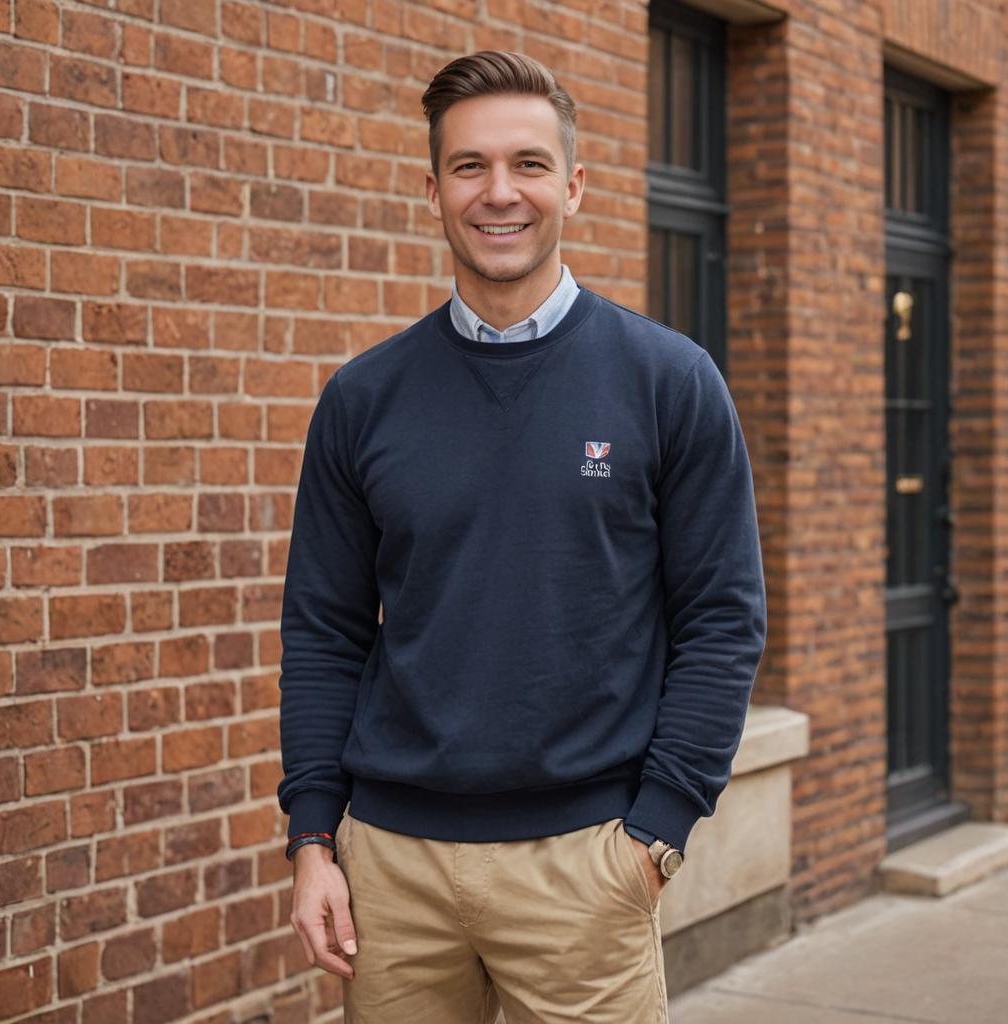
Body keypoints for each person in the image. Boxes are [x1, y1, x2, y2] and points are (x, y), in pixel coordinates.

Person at [277, 50, 767, 1024]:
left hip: (584, 865)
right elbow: (325, 632)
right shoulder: (363, 398)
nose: (500, 192)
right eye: (469, 167)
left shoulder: (667, 382)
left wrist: (654, 832)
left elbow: (721, 619)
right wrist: (312, 840)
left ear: (574, 185)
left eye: (529, 165)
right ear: (432, 190)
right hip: (391, 871)